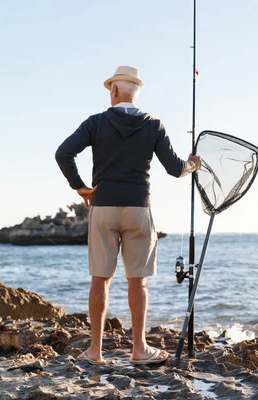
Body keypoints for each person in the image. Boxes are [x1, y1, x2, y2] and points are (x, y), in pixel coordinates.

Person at [55, 65, 201, 364]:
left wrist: (81, 188)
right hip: (138, 208)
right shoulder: (153, 125)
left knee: (100, 280)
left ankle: (94, 351)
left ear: (114, 91)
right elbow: (175, 169)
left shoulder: (96, 123)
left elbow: (63, 153)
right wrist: (192, 164)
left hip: (104, 207)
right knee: (138, 281)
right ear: (135, 93)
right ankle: (139, 349)